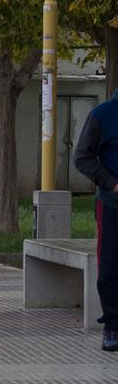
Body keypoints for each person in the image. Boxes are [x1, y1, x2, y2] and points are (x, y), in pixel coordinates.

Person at [74, 91, 118, 351]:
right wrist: (110, 184)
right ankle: (112, 325)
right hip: (112, 205)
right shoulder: (102, 115)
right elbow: (82, 157)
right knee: (111, 266)